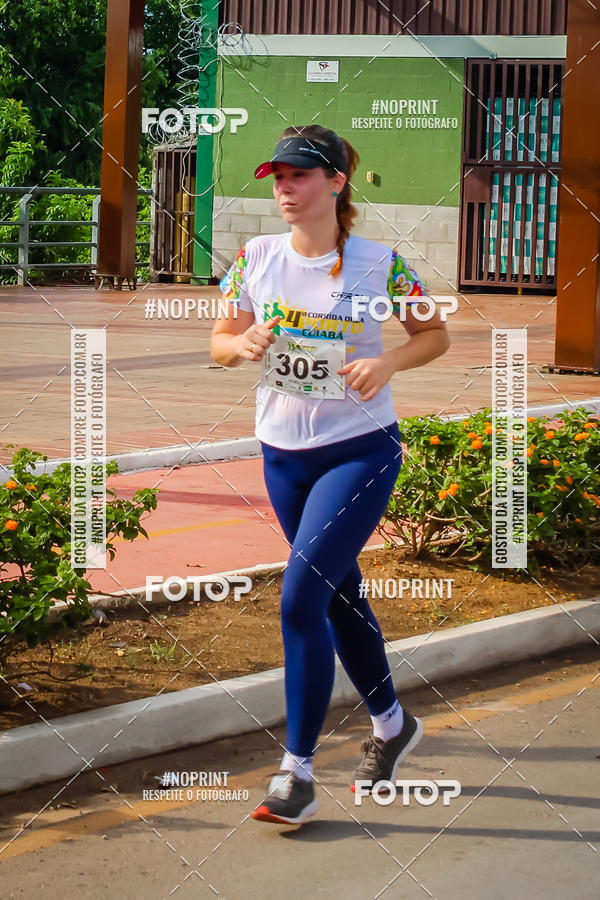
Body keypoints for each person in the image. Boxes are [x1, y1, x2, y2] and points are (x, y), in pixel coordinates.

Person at [211, 124, 450, 825]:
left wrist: (389, 364)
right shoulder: (254, 257)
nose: (284, 187)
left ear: (337, 183)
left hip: (360, 450)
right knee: (339, 598)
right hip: (282, 455)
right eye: (277, 176)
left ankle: (297, 773)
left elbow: (433, 334)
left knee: (298, 601)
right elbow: (221, 341)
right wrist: (241, 342)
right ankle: (391, 724)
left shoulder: (379, 265)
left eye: (300, 175)